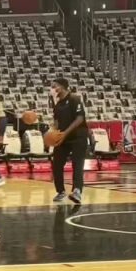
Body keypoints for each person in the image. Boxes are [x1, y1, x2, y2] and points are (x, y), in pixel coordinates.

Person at [50, 77, 88, 205]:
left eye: (54, 86)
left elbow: (80, 119)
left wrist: (65, 133)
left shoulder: (74, 99)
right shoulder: (57, 103)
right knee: (56, 163)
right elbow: (55, 123)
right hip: (63, 138)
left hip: (78, 136)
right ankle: (60, 191)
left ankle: (77, 191)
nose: (52, 89)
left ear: (61, 86)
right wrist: (53, 134)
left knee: (77, 164)